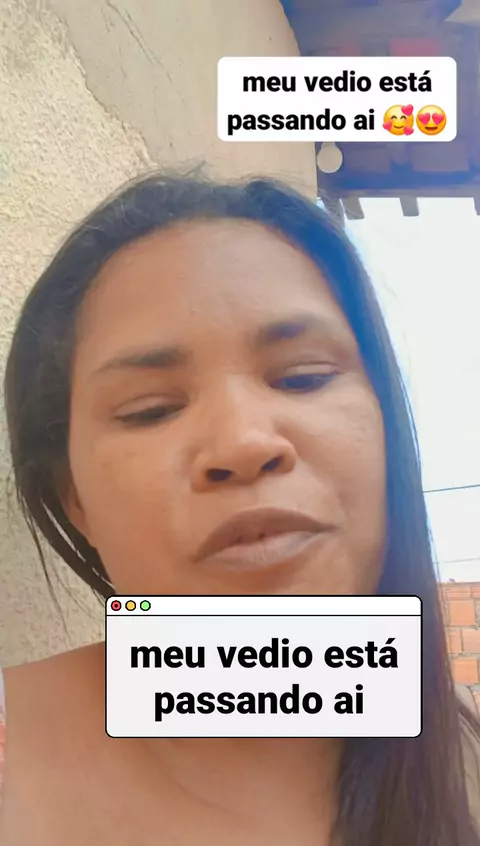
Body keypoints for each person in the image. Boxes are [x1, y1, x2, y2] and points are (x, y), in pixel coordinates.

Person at [0, 171, 478, 846]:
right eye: (151, 410)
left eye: (303, 377)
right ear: (73, 497)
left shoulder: (462, 751)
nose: (244, 442)